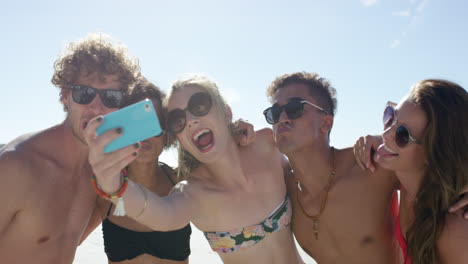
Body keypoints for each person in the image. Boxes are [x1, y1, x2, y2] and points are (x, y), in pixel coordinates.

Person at [85, 75, 304, 264]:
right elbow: (162, 213)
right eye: (178, 120)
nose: (189, 121)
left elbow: (313, 182)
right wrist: (115, 187)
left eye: (199, 106)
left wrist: (233, 134)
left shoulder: (266, 145)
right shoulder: (191, 191)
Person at [0, 33, 140, 263]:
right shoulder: (17, 165)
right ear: (66, 95)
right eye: (84, 93)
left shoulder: (98, 176)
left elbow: (65, 243)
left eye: (111, 96)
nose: (96, 108)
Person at [263, 72, 402, 263]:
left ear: (326, 123)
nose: (282, 118)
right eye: (275, 113)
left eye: (295, 108)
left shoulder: (369, 165)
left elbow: (434, 157)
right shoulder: (281, 189)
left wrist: (388, 142)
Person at [354, 79, 468, 264]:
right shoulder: (408, 184)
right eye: (391, 116)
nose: (386, 134)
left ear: (433, 152)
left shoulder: (454, 229)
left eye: (402, 135)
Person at [96, 78, 192, 263]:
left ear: (167, 132)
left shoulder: (183, 181)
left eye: (153, 124)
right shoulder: (102, 191)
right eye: (134, 124)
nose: (144, 135)